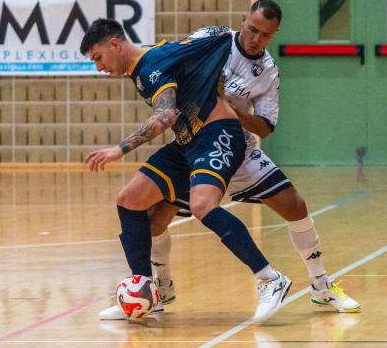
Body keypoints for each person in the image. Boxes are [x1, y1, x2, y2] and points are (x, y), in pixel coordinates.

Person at [98, 0, 360, 321]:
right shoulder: (213, 37)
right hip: (194, 140)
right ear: (243, 20)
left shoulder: (268, 72)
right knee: (151, 219)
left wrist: (235, 112)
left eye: (266, 35)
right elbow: (173, 59)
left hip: (233, 142)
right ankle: (154, 291)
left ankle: (321, 285)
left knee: (294, 206)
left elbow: (266, 127)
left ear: (275, 34)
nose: (256, 39)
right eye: (253, 29)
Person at [81, 18, 292, 322]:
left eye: (98, 57)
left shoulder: (151, 65)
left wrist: (119, 149)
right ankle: (144, 291)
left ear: (114, 44)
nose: (99, 67)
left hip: (218, 133)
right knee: (129, 200)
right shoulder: (147, 63)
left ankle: (271, 279)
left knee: (202, 205)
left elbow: (166, 116)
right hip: (187, 141)